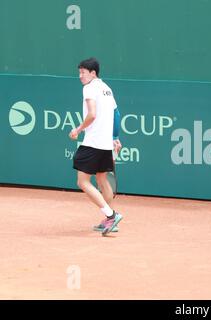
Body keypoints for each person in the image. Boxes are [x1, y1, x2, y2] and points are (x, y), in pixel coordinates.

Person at [69, 57, 123, 236]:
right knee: (101, 179)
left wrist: (78, 129)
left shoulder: (89, 88)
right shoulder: (107, 88)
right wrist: (115, 137)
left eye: (83, 72)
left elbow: (91, 114)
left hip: (92, 142)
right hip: (105, 144)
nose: (80, 76)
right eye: (79, 72)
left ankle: (111, 215)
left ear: (93, 73)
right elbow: (117, 114)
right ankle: (109, 221)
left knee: (82, 181)